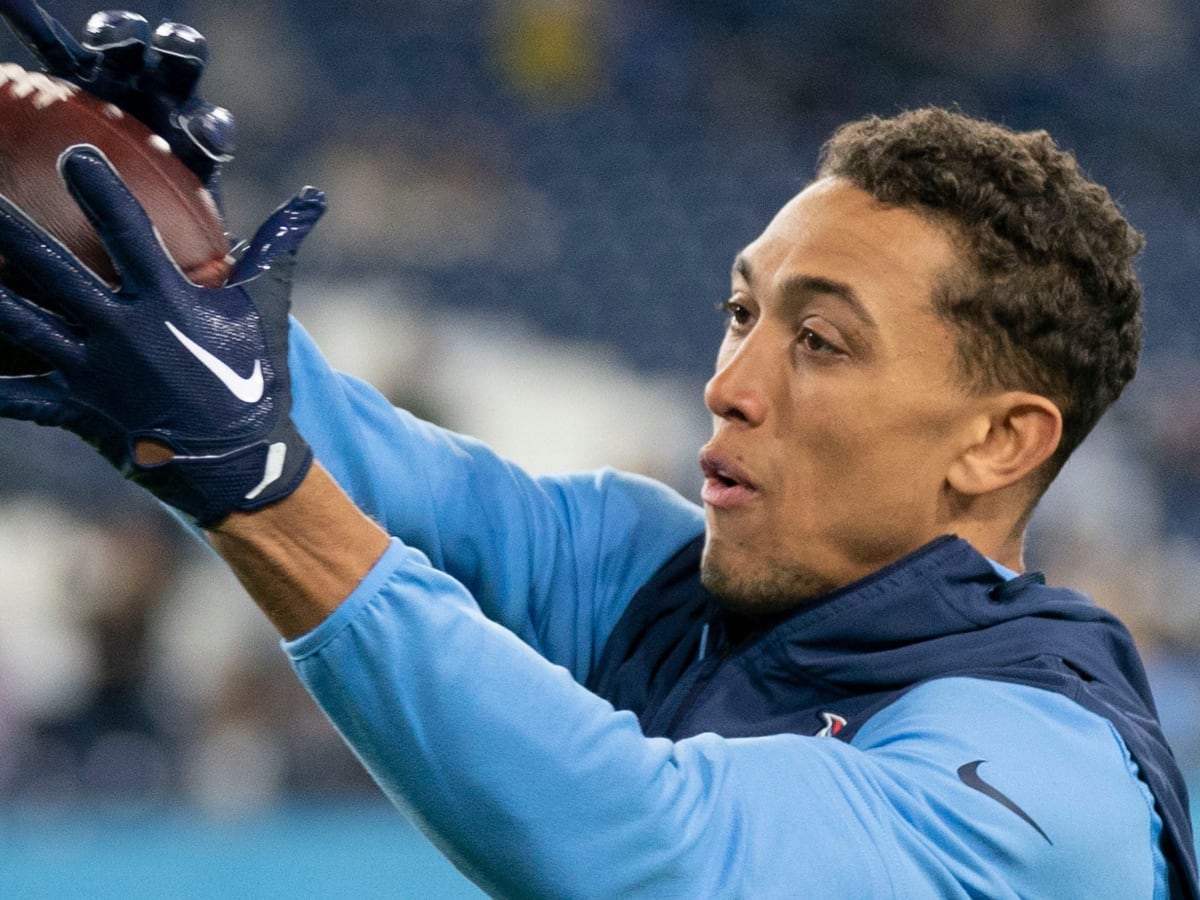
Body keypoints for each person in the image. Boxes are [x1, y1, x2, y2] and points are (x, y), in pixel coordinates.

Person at [0, 4, 1196, 897]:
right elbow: (355, 460)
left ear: (997, 442)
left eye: (821, 342)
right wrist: (144, 248)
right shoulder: (658, 574)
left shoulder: (1053, 783)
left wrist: (259, 494)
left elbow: (656, 852)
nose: (730, 385)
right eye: (742, 315)